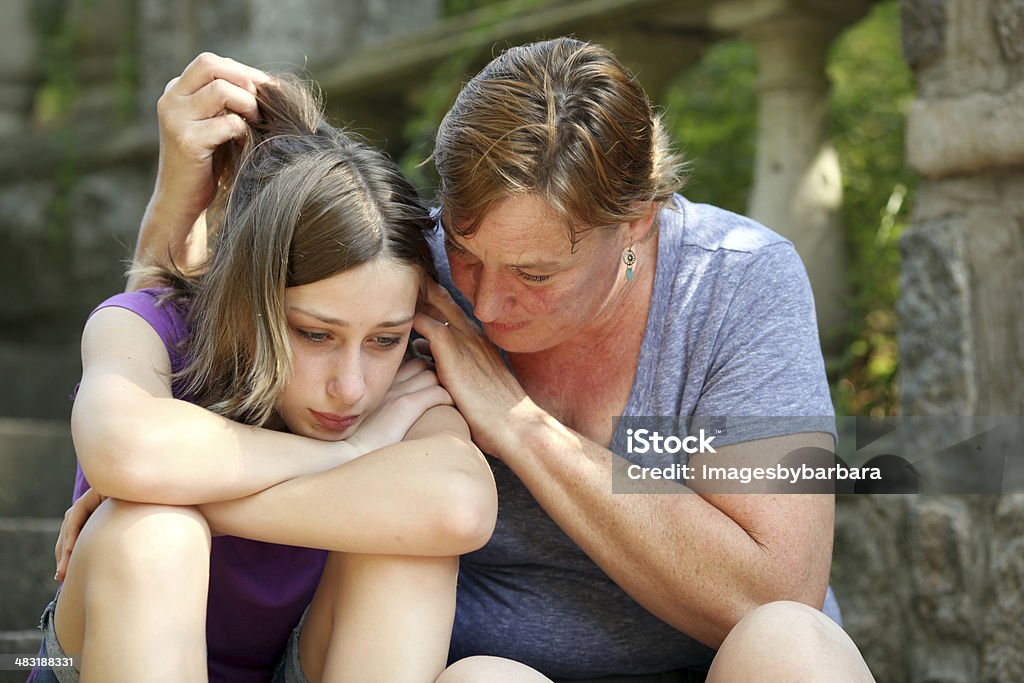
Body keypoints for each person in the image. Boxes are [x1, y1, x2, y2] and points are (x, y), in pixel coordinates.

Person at [61, 39, 878, 682]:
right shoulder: (405, 285)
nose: (484, 305)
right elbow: (207, 308)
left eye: (535, 274)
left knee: (792, 644)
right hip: (480, 666)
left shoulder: (738, 281)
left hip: (720, 665)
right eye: (465, 248)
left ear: (637, 223)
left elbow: (778, 585)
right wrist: (177, 193)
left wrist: (517, 422)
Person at [31, 70, 513, 683]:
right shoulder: (150, 326)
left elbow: (457, 508)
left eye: (385, 339)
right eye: (315, 334)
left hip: (289, 664)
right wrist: (361, 452)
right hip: (109, 645)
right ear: (248, 299)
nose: (353, 387)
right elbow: (126, 451)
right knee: (154, 531)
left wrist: (191, 487)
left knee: (478, 649)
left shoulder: (404, 385)